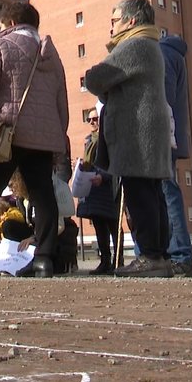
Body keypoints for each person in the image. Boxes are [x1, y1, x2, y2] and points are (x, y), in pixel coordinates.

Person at [0, 1, 69, 278]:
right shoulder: (52, 56)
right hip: (43, 139)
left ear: (9, 24)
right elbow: (62, 104)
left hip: (5, 131)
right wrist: (56, 139)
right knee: (43, 194)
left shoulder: (1, 45)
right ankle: (44, 259)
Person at [84, 0, 173, 278]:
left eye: (115, 20)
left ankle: (149, 256)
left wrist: (106, 88)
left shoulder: (134, 45)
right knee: (152, 193)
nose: (111, 27)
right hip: (147, 130)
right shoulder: (150, 44)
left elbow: (95, 78)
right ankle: (158, 255)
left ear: (131, 21)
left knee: (139, 193)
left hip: (137, 132)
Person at [160, 35, 192, 277]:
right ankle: (178, 253)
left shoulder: (162, 54)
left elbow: (162, 98)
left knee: (166, 191)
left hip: (162, 136)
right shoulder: (175, 55)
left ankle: (181, 255)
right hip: (172, 136)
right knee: (166, 192)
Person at [76, 109, 122, 275]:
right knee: (99, 224)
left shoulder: (110, 138)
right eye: (90, 120)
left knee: (113, 224)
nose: (92, 122)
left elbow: (115, 161)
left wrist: (104, 176)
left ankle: (118, 261)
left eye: (95, 119)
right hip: (93, 187)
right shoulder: (89, 140)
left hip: (109, 185)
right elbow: (91, 162)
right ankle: (105, 260)